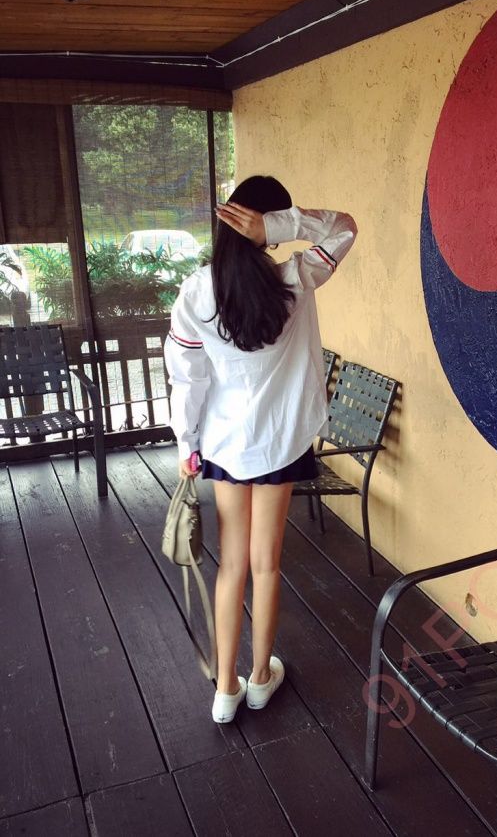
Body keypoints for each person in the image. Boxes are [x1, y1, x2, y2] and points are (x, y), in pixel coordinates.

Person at [163, 175, 357, 723]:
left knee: (231, 567)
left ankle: (226, 689)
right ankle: (260, 678)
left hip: (225, 446)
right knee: (266, 565)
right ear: (263, 227)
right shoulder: (295, 278)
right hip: (281, 443)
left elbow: (187, 377)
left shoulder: (197, 291)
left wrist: (186, 442)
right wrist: (279, 225)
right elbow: (344, 228)